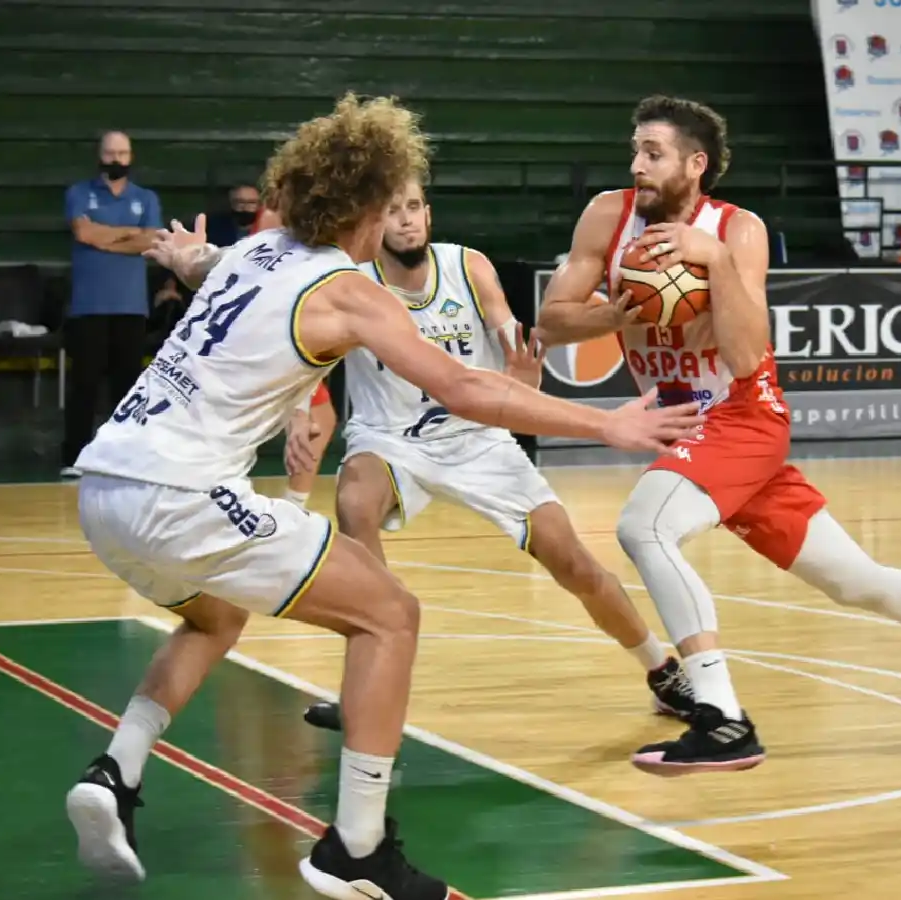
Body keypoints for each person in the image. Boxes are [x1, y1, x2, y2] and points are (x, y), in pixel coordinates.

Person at [64, 93, 703, 900]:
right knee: (390, 615)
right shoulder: (346, 288)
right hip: (179, 495)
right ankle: (359, 848)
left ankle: (114, 772)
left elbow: (200, 268)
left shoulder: (255, 253)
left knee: (215, 614)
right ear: (368, 206)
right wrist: (604, 425)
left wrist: (184, 256)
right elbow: (466, 386)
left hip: (105, 486)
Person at [535, 94, 901, 777]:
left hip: (742, 413)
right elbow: (552, 323)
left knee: (645, 529)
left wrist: (713, 265)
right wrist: (622, 312)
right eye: (636, 151)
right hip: (683, 428)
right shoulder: (608, 216)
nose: (637, 165)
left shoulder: (738, 230)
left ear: (695, 165)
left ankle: (722, 718)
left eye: (654, 154)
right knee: (858, 583)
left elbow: (743, 354)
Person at [267, 177, 693, 733]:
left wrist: (522, 365)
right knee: (354, 501)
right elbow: (311, 358)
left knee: (575, 564)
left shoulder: (467, 266)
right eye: (393, 210)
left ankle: (660, 669)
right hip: (391, 438)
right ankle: (364, 690)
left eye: (415, 207)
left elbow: (511, 337)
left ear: (430, 214)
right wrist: (300, 412)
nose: (406, 220)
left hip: (479, 436)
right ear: (375, 221)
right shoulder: (353, 283)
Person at [62, 130, 163, 479]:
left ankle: (125, 459)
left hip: (131, 305)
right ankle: (74, 457)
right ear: (100, 155)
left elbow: (150, 241)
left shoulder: (145, 197)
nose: (117, 159)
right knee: (85, 385)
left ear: (131, 157)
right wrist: (129, 233)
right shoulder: (79, 192)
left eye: (123, 153)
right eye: (110, 153)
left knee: (128, 387)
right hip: (88, 305)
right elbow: (83, 234)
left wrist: (106, 237)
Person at [247, 204, 337, 509]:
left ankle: (294, 507)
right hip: (268, 326)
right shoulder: (280, 214)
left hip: (289, 322)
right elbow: (268, 274)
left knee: (320, 416)